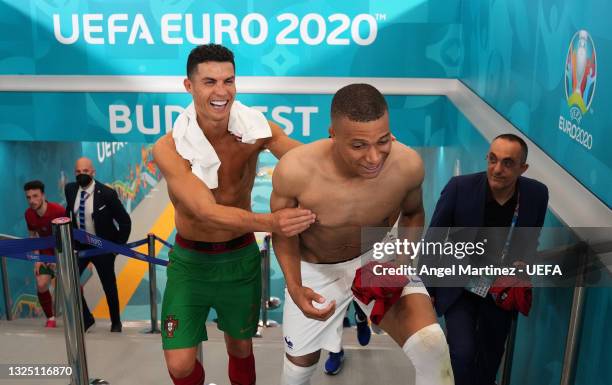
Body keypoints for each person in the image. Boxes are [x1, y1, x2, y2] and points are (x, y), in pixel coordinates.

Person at [152, 43, 316, 385]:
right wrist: (271, 223)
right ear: (189, 86)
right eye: (209, 81)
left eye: (229, 81)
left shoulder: (256, 130)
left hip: (239, 259)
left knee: (241, 348)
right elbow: (205, 211)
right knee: (180, 364)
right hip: (190, 264)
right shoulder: (169, 148)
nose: (221, 91)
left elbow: (306, 161)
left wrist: (346, 154)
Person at [271, 83, 454, 385]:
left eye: (383, 141)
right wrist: (294, 286)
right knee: (298, 370)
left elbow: (412, 213)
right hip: (315, 270)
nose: (373, 158)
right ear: (333, 134)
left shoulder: (406, 165)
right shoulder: (295, 170)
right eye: (358, 146)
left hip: (376, 258)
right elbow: (283, 232)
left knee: (432, 347)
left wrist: (402, 264)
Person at [425, 134, 548, 385]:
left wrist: (525, 263)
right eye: (492, 159)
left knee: (490, 358)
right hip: (459, 286)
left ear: (522, 168)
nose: (497, 169)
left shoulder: (536, 195)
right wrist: (427, 291)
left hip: (500, 291)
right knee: (462, 352)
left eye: (507, 163)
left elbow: (531, 241)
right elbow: (433, 240)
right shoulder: (460, 188)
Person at [65, 157, 132, 333]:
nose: (82, 175)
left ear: (93, 172)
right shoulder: (70, 190)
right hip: (80, 247)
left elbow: (125, 221)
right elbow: (69, 214)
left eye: (85, 171)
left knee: (109, 286)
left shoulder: (107, 194)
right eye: (78, 172)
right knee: (70, 281)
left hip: (102, 247)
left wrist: (116, 248)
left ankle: (116, 322)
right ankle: (87, 319)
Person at [23, 180, 66, 328]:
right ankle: (51, 318)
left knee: (73, 287)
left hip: (62, 252)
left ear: (43, 195)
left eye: (35, 196)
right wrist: (37, 258)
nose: (32, 201)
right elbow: (33, 236)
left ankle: (78, 316)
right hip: (44, 254)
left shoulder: (59, 211)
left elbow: (68, 237)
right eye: (28, 197)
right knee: (41, 284)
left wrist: (59, 259)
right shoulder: (28, 214)